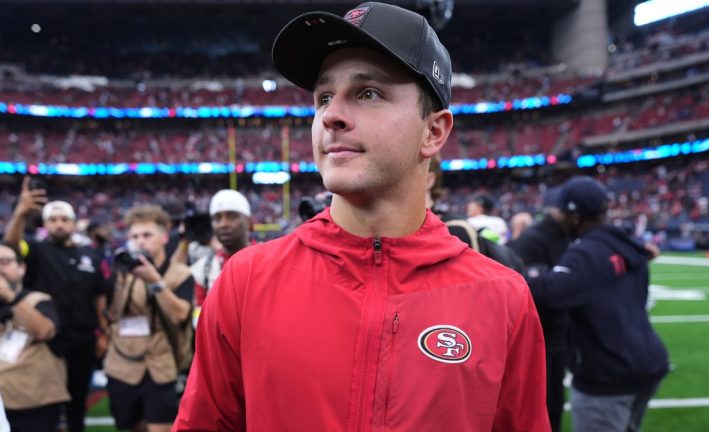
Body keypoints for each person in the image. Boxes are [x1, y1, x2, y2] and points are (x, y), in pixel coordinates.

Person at [174, 3, 549, 431]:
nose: (330, 116)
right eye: (324, 97)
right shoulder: (246, 282)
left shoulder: (502, 298)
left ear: (434, 131)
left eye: (368, 92)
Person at [526, 176, 669, 432]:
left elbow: (550, 293)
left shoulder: (586, 253)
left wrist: (516, 275)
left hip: (608, 372)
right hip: (647, 360)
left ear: (574, 216)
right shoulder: (628, 243)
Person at [3, 178, 109, 432]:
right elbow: (10, 247)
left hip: (83, 337)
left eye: (64, 219)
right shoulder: (37, 251)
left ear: (73, 223)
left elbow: (99, 296)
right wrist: (20, 213)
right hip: (46, 339)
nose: (59, 224)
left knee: (78, 398)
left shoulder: (91, 255)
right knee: (46, 400)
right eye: (53, 219)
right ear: (45, 224)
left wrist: (103, 333)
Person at [104, 205, 194, 432]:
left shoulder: (181, 273)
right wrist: (123, 276)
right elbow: (111, 314)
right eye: (134, 236)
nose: (140, 242)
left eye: (147, 235)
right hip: (122, 363)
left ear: (164, 237)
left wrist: (155, 281)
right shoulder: (121, 271)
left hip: (160, 363)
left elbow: (180, 315)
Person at [508, 187, 571, 432]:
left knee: (550, 402)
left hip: (553, 333)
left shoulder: (557, 236)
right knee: (535, 402)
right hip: (537, 332)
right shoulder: (535, 240)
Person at [0, 241, 69, 432]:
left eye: (5, 262)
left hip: (34, 402)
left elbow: (44, 330)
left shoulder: (39, 299)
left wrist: (9, 295)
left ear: (21, 268)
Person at [189, 189, 252, 320]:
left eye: (232, 216)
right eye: (217, 218)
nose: (223, 224)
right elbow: (199, 318)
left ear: (249, 222)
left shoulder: (270, 261)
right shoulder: (201, 269)